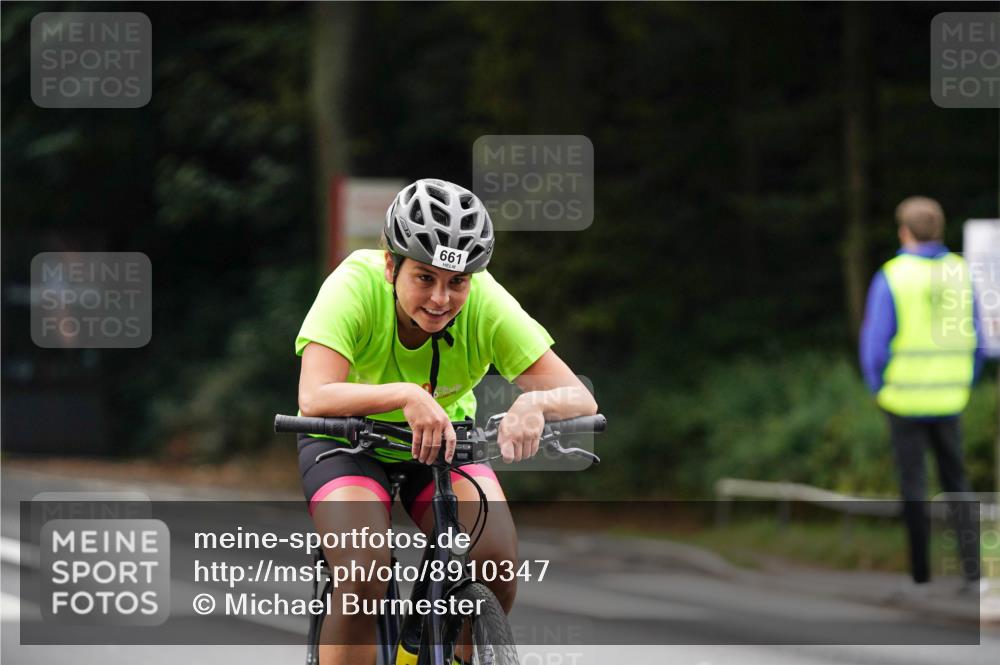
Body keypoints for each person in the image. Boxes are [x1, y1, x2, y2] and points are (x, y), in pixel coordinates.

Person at [295, 178, 598, 665]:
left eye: (457, 282)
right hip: (347, 441)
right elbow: (314, 395)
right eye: (424, 278)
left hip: (442, 444)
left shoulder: (487, 304)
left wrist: (534, 406)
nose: (441, 299)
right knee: (363, 571)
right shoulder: (353, 284)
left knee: (496, 562)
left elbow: (577, 396)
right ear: (391, 264)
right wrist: (403, 394)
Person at [859, 196, 984, 597]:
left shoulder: (894, 276)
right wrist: (966, 380)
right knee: (958, 485)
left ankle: (920, 577)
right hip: (951, 397)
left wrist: (878, 386)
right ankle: (973, 574)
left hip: (904, 399)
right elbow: (979, 338)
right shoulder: (960, 272)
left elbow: (875, 345)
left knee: (913, 487)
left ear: (905, 232)